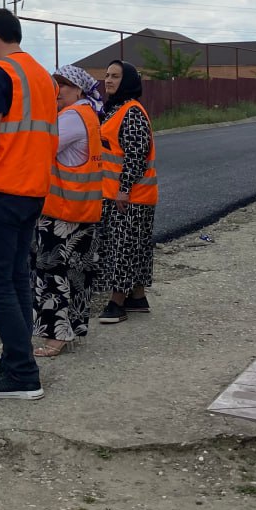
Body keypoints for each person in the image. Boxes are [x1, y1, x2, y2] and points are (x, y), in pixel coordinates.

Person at [0, 8, 58, 400]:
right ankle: (14, 354)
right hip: (32, 190)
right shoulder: (41, 76)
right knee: (18, 277)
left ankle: (22, 372)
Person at [31, 65, 105, 356]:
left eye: (63, 85)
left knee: (54, 273)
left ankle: (56, 336)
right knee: (77, 273)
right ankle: (71, 329)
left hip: (61, 212)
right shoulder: (88, 115)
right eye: (55, 84)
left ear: (78, 90)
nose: (57, 90)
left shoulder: (72, 117)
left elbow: (41, 147)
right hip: (83, 208)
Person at [96, 59, 160, 324]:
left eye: (115, 76)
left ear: (129, 81)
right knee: (136, 247)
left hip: (130, 196)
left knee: (122, 247)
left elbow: (137, 154)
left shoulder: (131, 112)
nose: (108, 80)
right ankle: (138, 297)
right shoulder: (116, 109)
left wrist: (124, 190)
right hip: (121, 194)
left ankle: (117, 302)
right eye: (107, 75)